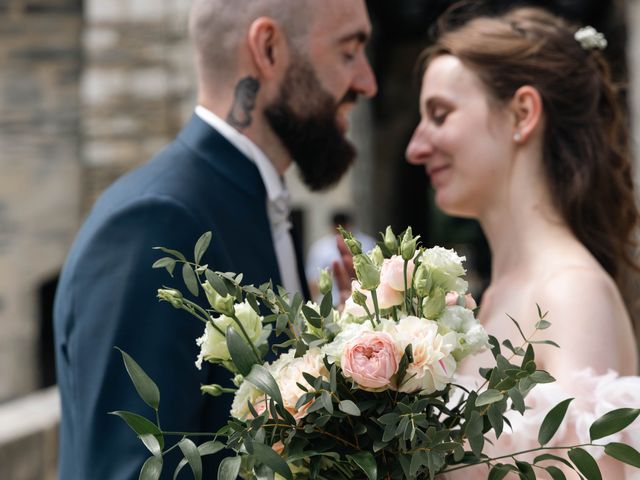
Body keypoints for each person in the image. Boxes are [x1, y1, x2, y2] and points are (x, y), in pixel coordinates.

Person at [53, 1, 377, 478]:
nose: (367, 82)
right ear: (268, 49)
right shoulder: (156, 223)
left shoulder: (256, 206)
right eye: (349, 52)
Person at [405, 6, 640, 478]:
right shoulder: (493, 296)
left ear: (523, 113)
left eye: (440, 114)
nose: (415, 147)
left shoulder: (571, 293)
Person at [306, 211, 376, 303]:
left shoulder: (367, 243)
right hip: (333, 303)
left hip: (365, 300)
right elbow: (313, 281)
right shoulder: (320, 248)